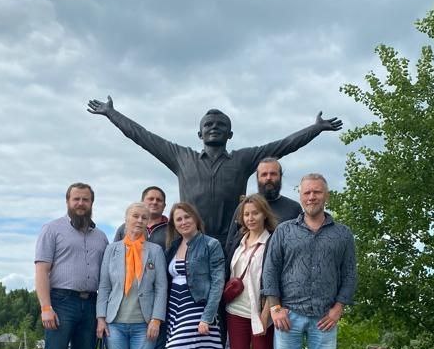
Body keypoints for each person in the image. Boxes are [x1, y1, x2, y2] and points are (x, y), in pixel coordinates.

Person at [87, 96, 342, 245]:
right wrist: (112, 114)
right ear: (199, 133)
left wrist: (315, 128)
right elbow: (143, 136)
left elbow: (283, 145)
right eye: (208, 125)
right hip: (189, 242)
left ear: (230, 134)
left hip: (230, 243)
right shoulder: (182, 157)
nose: (214, 128)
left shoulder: (243, 159)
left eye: (220, 125)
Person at [263, 173, 356, 349]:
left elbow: (349, 274)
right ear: (300, 196)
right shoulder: (284, 231)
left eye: (317, 192)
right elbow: (270, 270)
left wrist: (338, 308)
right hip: (288, 315)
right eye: (307, 193)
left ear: (326, 195)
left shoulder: (342, 234)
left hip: (325, 318)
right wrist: (275, 308)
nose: (311, 197)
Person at [217, 156, 303, 349]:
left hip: (274, 301)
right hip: (239, 303)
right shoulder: (243, 209)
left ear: (280, 176)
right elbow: (231, 247)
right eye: (264, 174)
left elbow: (294, 254)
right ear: (257, 178)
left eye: (273, 174)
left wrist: (278, 301)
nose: (268, 178)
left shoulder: (292, 208)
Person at [33, 182, 109, 349]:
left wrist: (101, 313)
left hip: (90, 304)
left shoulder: (101, 237)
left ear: (91, 203)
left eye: (85, 199)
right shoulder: (52, 230)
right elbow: (41, 270)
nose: (80, 204)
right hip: (61, 302)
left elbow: (106, 278)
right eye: (76, 199)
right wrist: (46, 307)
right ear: (67, 201)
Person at [96, 203, 168, 349]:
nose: (139, 220)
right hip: (115, 323)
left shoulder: (155, 251)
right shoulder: (112, 250)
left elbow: (161, 288)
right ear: (126, 219)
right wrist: (101, 318)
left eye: (144, 217)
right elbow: (104, 286)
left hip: (143, 325)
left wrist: (156, 319)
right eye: (135, 216)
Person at [159, 202, 229, 349]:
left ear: (196, 219)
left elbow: (218, 282)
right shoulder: (174, 246)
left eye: (187, 217)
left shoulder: (210, 244)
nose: (183, 222)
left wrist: (207, 316)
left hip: (197, 309)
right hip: (175, 310)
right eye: (178, 219)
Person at [223, 195, 277, 349]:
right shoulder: (238, 241)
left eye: (255, 213)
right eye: (246, 214)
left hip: (260, 313)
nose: (251, 218)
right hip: (236, 312)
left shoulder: (272, 242)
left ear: (264, 213)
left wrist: (267, 313)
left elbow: (276, 279)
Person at [114, 186, 170, 349]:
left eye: (159, 200)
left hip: (159, 299)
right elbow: (114, 262)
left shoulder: (170, 229)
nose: (154, 202)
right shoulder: (123, 229)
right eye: (150, 199)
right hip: (128, 303)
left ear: (164, 205)